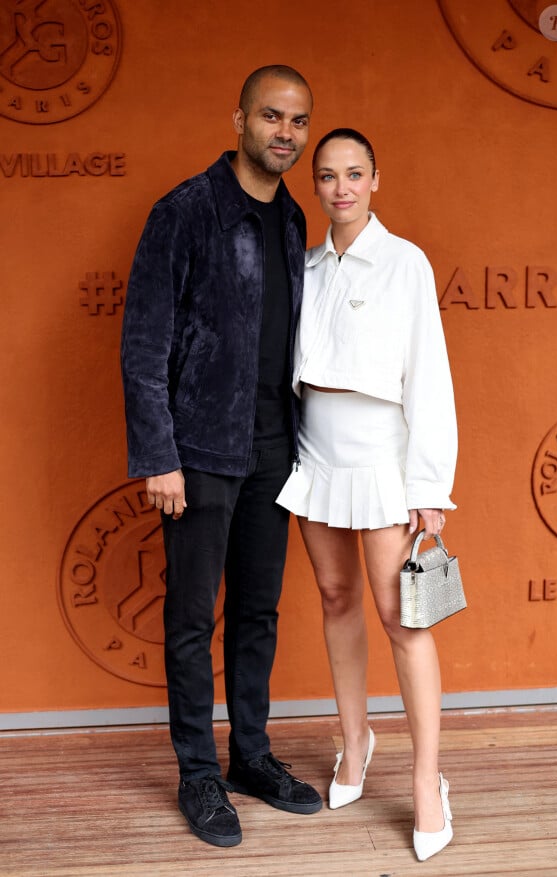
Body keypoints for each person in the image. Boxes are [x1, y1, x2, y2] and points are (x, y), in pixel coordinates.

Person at [121, 65, 322, 849]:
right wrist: (158, 456)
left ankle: (251, 757)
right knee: (188, 617)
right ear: (238, 117)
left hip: (275, 449)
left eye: (298, 122)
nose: (285, 132)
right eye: (271, 116)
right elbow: (143, 344)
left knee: (257, 611)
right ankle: (198, 773)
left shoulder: (295, 218)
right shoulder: (187, 210)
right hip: (199, 449)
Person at [276, 128, 458, 862]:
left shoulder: (405, 261)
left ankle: (425, 779)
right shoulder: (307, 264)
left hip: (383, 456)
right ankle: (356, 740)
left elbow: (431, 376)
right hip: (316, 452)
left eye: (354, 174)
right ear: (314, 185)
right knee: (335, 598)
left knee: (402, 615)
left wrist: (429, 484)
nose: (341, 188)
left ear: (377, 178)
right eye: (327, 176)